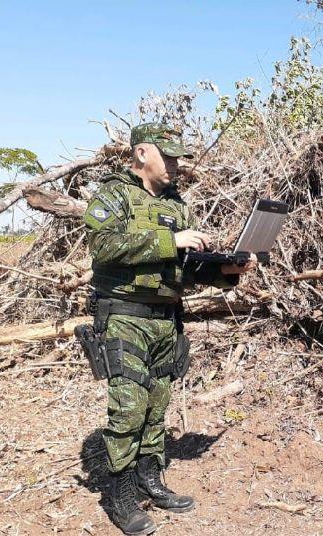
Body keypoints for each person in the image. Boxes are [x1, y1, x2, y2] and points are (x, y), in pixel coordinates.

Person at [82, 122, 257, 535]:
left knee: (157, 403)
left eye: (180, 157)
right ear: (143, 153)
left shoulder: (177, 204)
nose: (177, 165)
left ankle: (150, 479)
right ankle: (120, 497)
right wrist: (171, 240)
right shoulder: (113, 193)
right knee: (129, 407)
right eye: (170, 155)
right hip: (124, 314)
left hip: (166, 319)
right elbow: (103, 245)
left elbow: (184, 271)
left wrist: (224, 271)